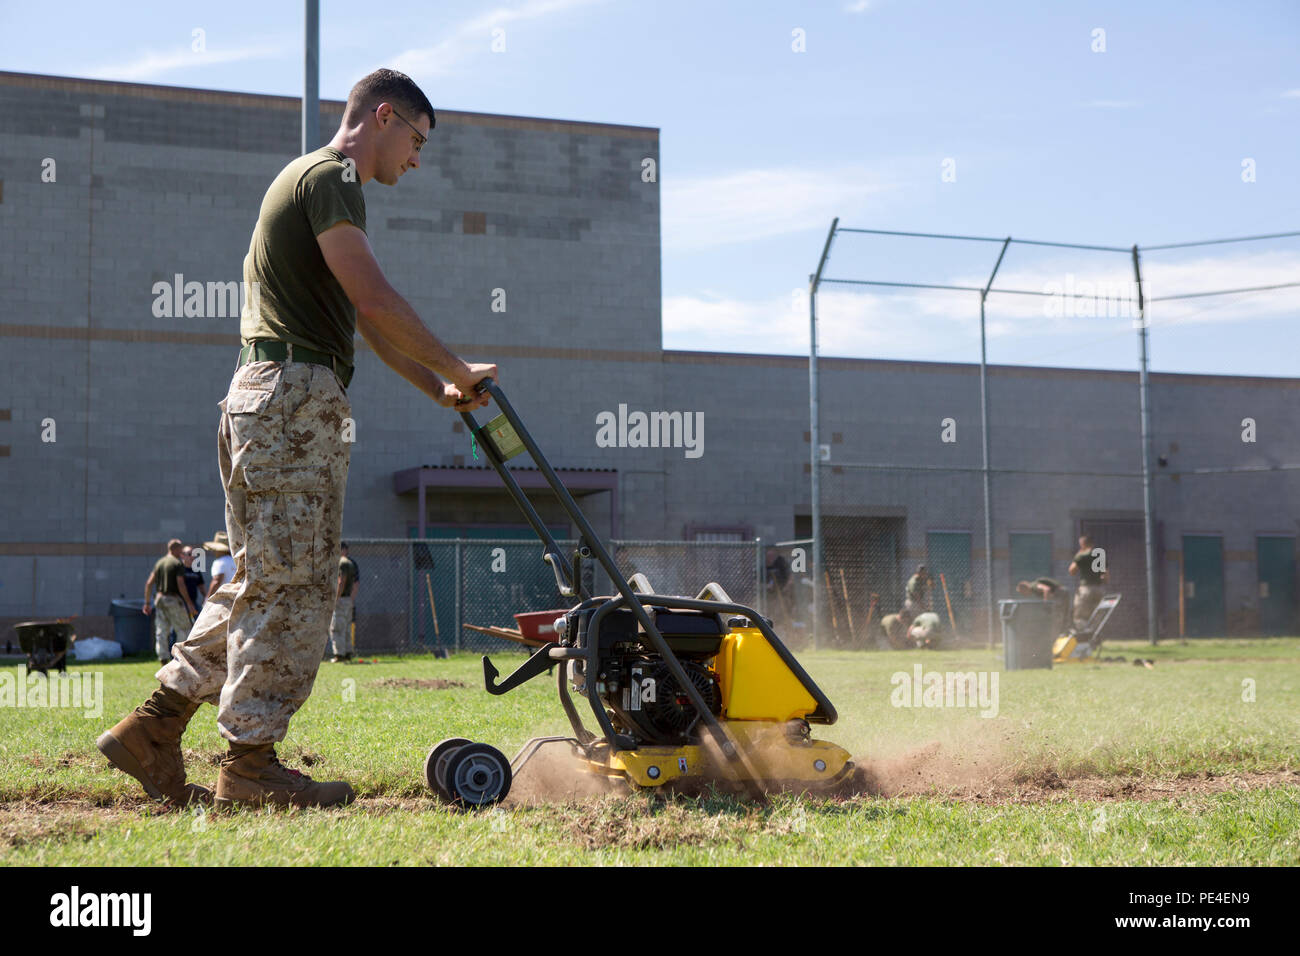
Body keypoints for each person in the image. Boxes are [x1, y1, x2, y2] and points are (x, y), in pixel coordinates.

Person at [97, 68, 497, 810]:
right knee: (299, 583)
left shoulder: (312, 182)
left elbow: (366, 321)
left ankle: (154, 728)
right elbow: (376, 297)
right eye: (417, 140)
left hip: (265, 396)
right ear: (384, 118)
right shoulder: (333, 177)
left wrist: (438, 386)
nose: (417, 158)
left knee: (259, 578)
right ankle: (249, 765)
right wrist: (458, 363)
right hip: (293, 401)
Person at [143, 539, 197, 665]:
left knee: (162, 630)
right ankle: (179, 658)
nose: (181, 552)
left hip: (159, 599)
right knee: (184, 629)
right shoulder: (176, 563)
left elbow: (149, 583)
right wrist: (189, 603)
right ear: (175, 549)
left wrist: (147, 603)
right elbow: (181, 585)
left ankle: (163, 658)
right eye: (180, 550)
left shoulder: (160, 563)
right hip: (173, 599)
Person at [327, 543, 360, 662]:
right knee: (346, 627)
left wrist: (336, 598)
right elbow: (356, 583)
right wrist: (351, 598)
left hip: (340, 599)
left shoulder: (342, 563)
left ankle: (339, 655)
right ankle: (348, 652)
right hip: (348, 599)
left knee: (336, 627)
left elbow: (341, 581)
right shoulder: (351, 563)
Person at [1068, 535, 1108, 631]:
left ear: (1082, 544)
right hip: (1099, 589)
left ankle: (1083, 638)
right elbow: (1105, 575)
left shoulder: (1081, 556)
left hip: (1085, 589)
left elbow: (1072, 571)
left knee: (1080, 616)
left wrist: (1077, 556)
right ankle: (1094, 637)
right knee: (1097, 615)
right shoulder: (1100, 554)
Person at [203, 531, 235, 600]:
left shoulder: (219, 562)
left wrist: (208, 599)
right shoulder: (235, 561)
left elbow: (216, 581)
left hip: (225, 599)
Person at [180, 546, 206, 614]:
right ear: (182, 556)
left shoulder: (196, 570)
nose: (192, 557)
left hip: (193, 603)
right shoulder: (179, 569)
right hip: (180, 604)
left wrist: (206, 598)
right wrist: (189, 604)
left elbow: (201, 586)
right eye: (189, 554)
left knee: (199, 622)